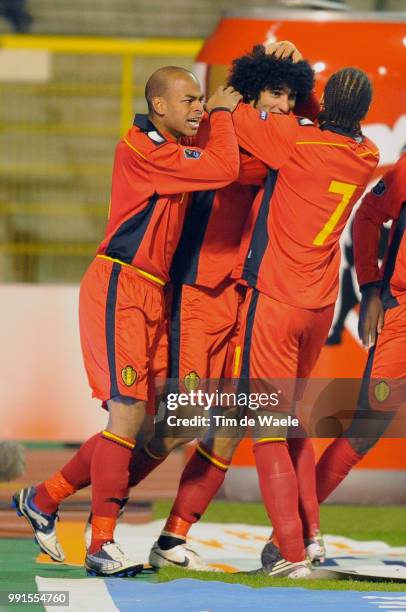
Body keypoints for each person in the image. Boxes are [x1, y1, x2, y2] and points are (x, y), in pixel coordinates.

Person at [13, 66, 242, 577]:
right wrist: (225, 115)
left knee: (163, 423)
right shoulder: (144, 147)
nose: (200, 107)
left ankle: (45, 498)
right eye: (190, 100)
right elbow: (224, 167)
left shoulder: (169, 144)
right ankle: (101, 545)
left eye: (203, 99)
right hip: (121, 284)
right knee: (127, 417)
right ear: (159, 105)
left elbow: (212, 157)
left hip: (152, 292)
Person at [158, 65, 379, 579]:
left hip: (275, 300)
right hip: (319, 306)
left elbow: (235, 110)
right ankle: (309, 538)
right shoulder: (365, 154)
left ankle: (290, 554)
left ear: (317, 106)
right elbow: (306, 121)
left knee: (266, 430)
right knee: (291, 422)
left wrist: (226, 96)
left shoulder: (295, 143)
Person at [316, 152, 406, 503]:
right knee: (367, 428)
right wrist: (370, 286)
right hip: (400, 312)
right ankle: (291, 533)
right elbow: (367, 215)